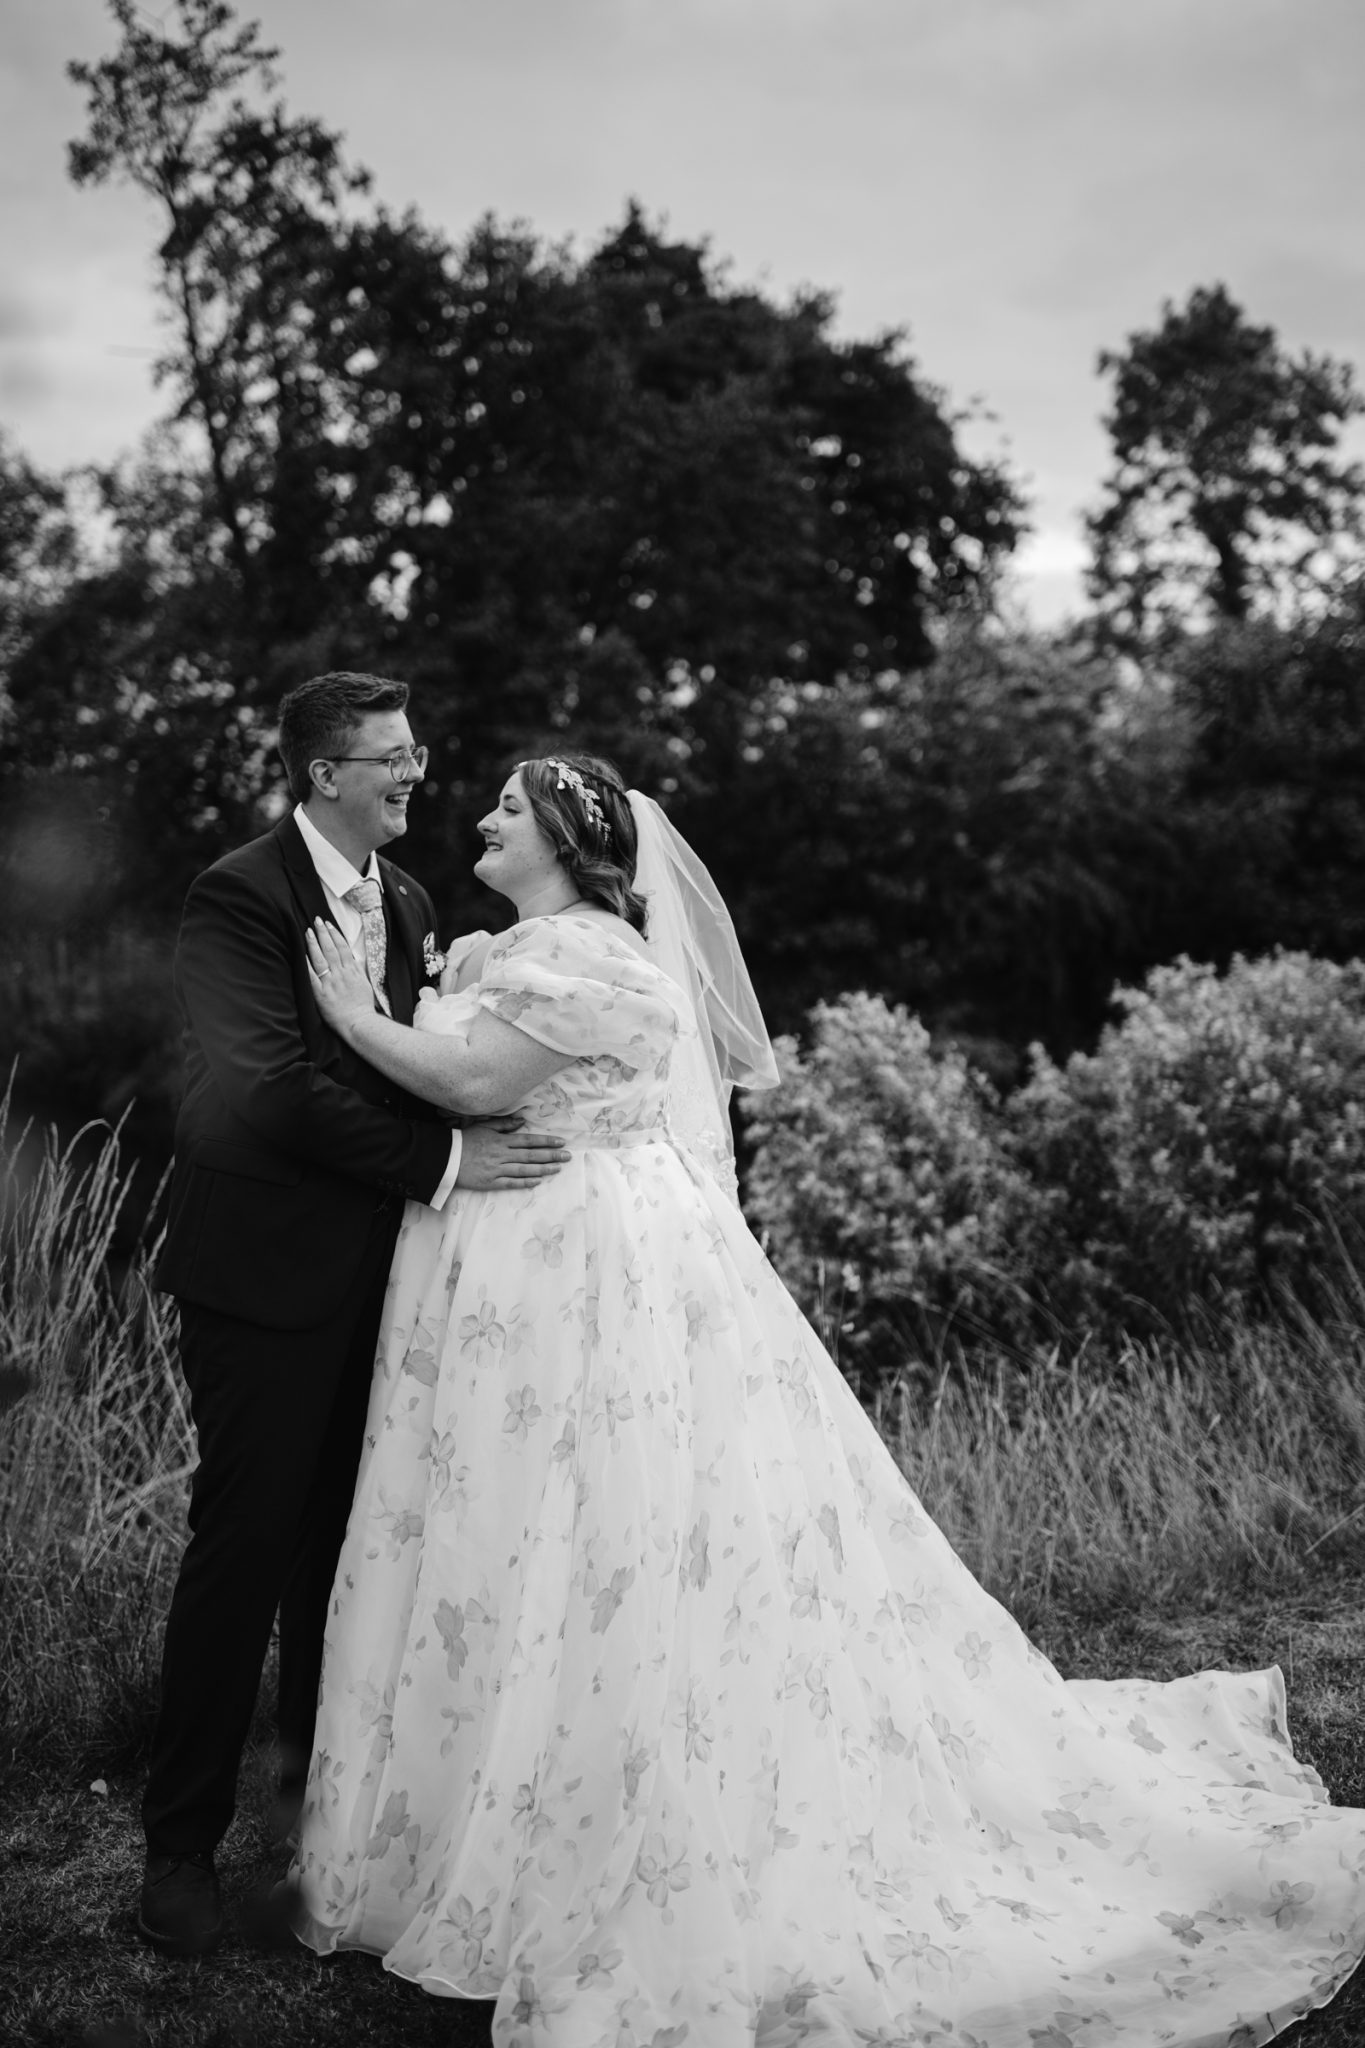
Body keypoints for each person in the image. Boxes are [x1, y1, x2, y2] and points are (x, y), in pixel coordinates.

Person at [294, 752, 1365, 2047]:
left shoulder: (594, 962)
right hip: (518, 1272)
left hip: (588, 1270)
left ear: (570, 845)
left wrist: (354, 1017)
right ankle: (493, 1807)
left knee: (605, 1533)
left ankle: (613, 1810)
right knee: (525, 1546)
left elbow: (470, 1086)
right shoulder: (504, 952)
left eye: (509, 810)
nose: (482, 817)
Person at [137, 673, 568, 1958]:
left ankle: (313, 1824)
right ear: (326, 773)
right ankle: (177, 1848)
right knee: (246, 1552)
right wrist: (440, 1165)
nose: (415, 772)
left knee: (353, 1554)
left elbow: (419, 1065)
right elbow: (264, 1089)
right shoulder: (236, 896)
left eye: (416, 750)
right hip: (261, 1284)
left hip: (389, 1286)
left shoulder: (418, 903)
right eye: (391, 756)